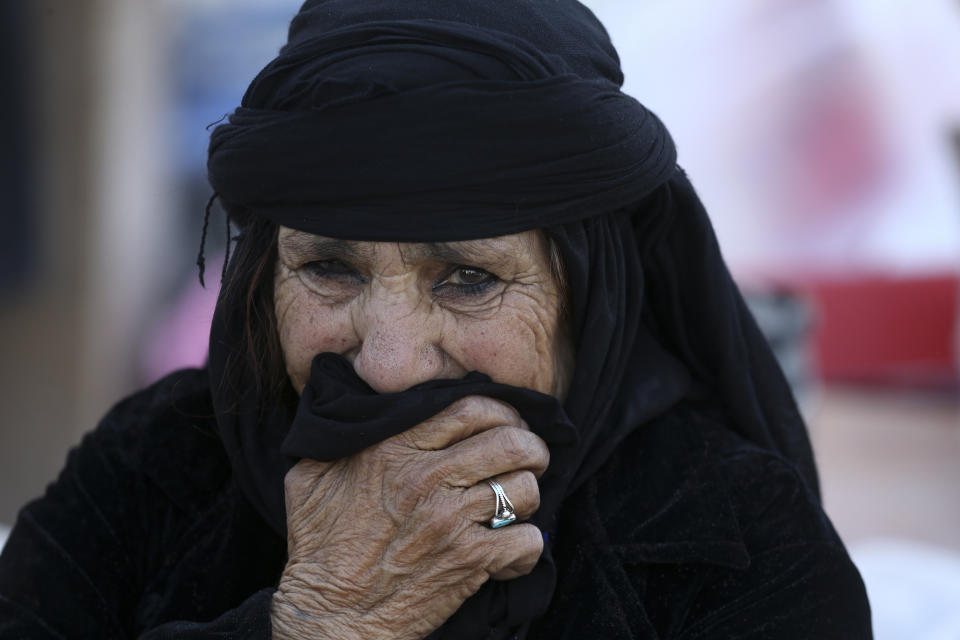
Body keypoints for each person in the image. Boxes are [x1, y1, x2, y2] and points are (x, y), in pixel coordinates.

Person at [0, 0, 873, 638]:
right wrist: (320, 620)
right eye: (329, 269)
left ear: (587, 292)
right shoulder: (151, 468)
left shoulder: (726, 536)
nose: (386, 366)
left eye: (466, 278)